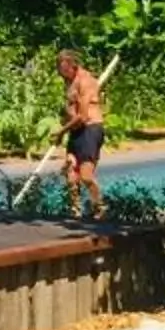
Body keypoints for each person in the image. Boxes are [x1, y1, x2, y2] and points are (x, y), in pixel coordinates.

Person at [58, 48, 104, 219]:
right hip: (75, 131)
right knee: (71, 174)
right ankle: (75, 211)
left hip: (90, 129)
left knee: (85, 176)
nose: (63, 74)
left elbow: (83, 116)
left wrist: (61, 132)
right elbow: (71, 108)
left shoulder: (85, 81)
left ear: (73, 65)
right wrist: (64, 127)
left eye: (65, 70)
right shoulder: (68, 81)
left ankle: (100, 207)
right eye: (60, 70)